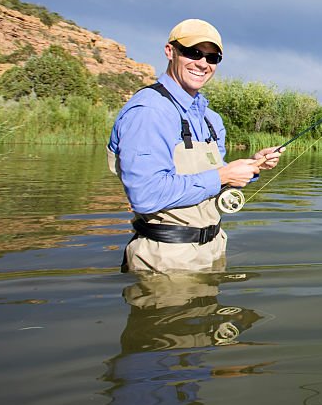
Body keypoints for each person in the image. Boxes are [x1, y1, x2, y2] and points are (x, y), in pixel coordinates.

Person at [108, 19, 282, 273]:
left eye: (212, 58)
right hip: (166, 259)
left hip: (212, 250)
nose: (203, 63)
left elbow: (211, 181)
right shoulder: (149, 111)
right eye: (193, 52)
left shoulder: (210, 118)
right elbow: (145, 196)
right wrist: (223, 175)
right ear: (170, 51)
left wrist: (251, 166)